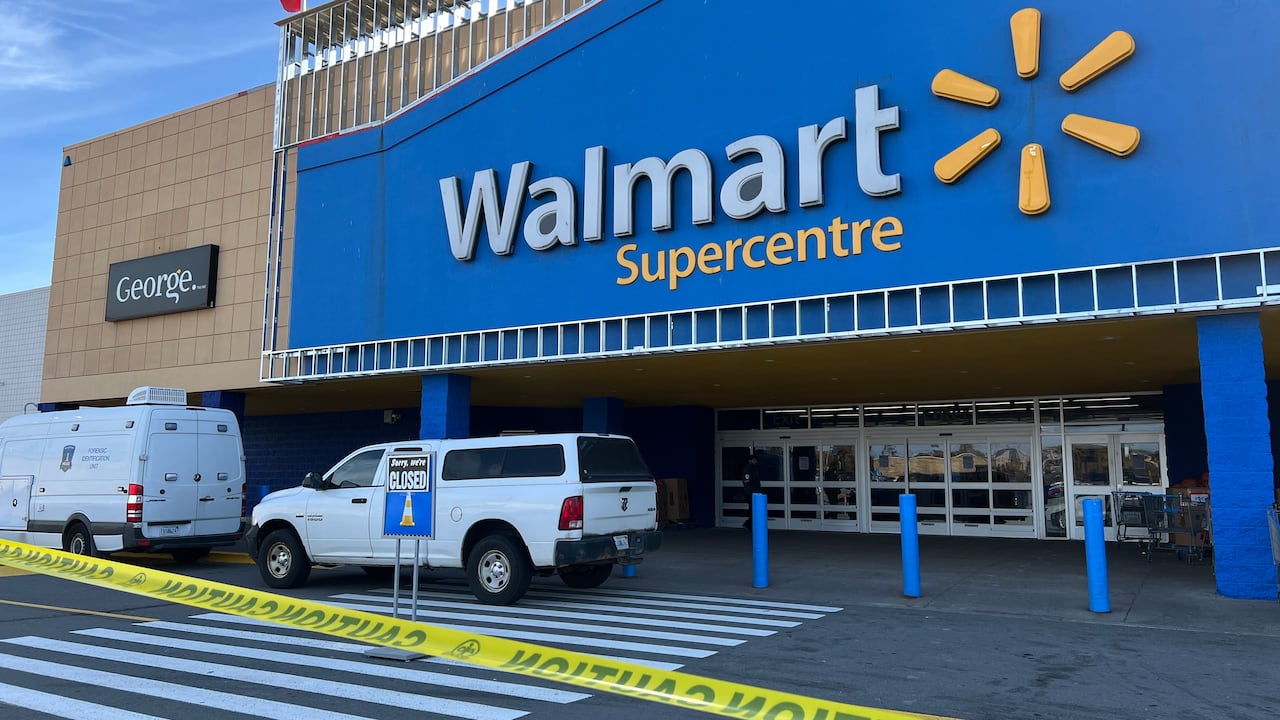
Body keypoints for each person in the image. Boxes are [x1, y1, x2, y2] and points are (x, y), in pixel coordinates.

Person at [742, 454, 763, 529]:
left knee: (754, 510)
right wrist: (752, 492)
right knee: (752, 510)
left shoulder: (755, 468)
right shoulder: (748, 469)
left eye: (756, 459)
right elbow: (747, 482)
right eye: (754, 459)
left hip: (755, 493)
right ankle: (749, 525)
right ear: (750, 460)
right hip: (751, 493)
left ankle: (751, 524)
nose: (755, 461)